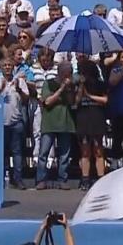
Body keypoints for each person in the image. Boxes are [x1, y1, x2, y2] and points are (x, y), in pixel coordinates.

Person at [0, 56, 30, 189]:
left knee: (17, 152)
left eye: (9, 65)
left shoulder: (19, 81)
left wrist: (18, 88)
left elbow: (26, 99)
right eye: (4, 65)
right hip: (0, 122)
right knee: (1, 152)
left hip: (16, 121)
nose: (7, 67)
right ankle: (1, 179)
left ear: (13, 67)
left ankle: (18, 179)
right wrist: (0, 88)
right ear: (0, 68)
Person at [36, 61, 76, 190]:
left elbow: (72, 102)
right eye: (66, 73)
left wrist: (70, 89)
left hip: (66, 122)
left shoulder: (72, 85)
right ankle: (41, 179)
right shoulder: (49, 83)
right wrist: (61, 89)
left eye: (70, 73)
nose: (68, 75)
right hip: (50, 122)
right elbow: (47, 102)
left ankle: (62, 179)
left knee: (64, 154)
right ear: (60, 72)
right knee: (43, 153)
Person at [74, 58, 108, 190]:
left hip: (97, 115)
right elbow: (76, 102)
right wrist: (82, 87)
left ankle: (101, 178)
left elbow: (105, 100)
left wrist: (89, 96)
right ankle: (85, 178)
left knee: (98, 150)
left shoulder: (100, 84)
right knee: (85, 150)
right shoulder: (79, 84)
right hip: (83, 116)